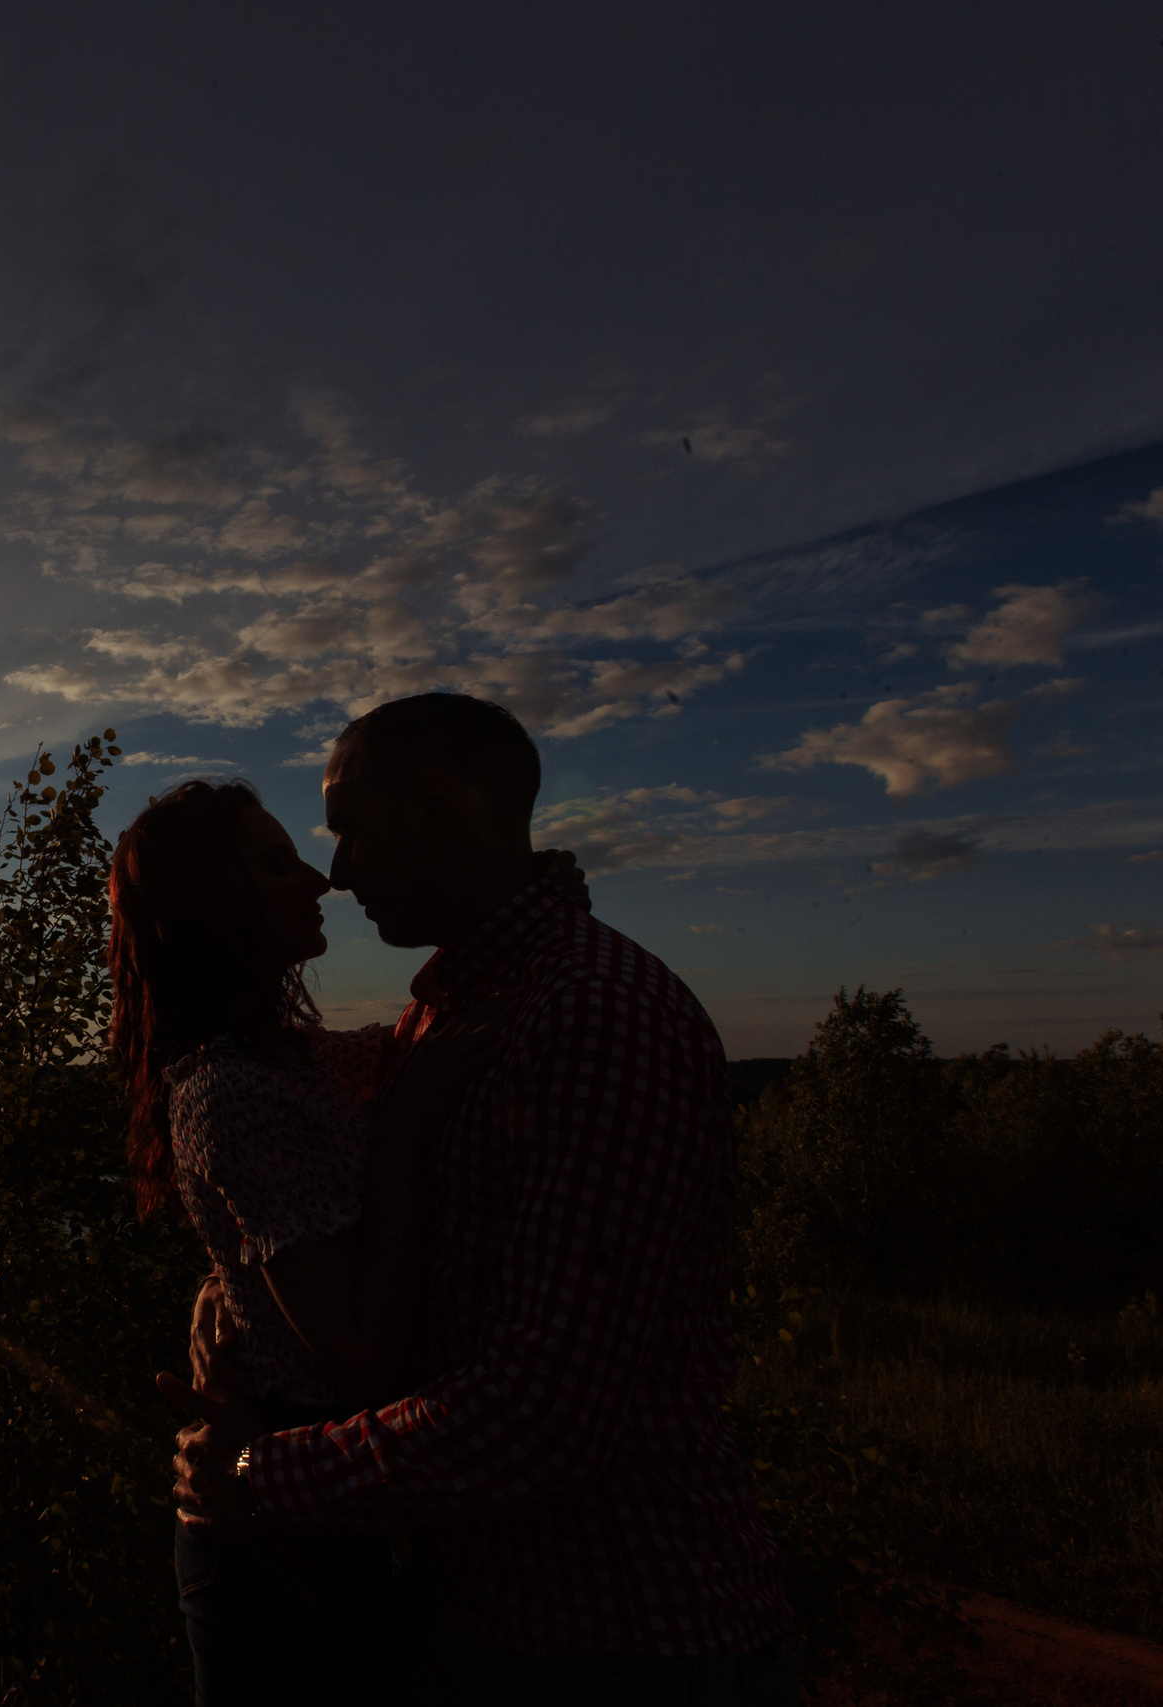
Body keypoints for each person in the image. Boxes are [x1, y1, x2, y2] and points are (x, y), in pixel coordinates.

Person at [159, 692, 801, 1707]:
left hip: (617, 1640)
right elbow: (277, 1153)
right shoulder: (457, 1016)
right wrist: (232, 1286)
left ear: (435, 806)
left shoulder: (591, 1018)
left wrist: (253, 1479)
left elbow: (545, 1418)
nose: (337, 872)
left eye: (348, 830)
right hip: (501, 1623)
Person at [107, 775, 586, 1704]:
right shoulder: (233, 1089)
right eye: (276, 862)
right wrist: (403, 1136)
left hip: (318, 1505)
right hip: (275, 1529)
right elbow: (363, 1354)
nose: (317, 882)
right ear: (217, 900)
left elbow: (420, 1038)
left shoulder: (289, 1059)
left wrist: (535, 892)